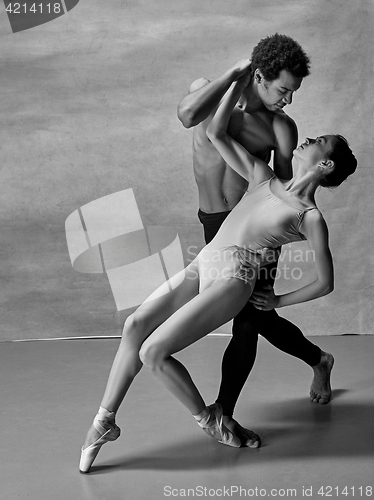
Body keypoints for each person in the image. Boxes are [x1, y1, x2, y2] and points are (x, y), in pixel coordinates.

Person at [79, 70, 357, 473]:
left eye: (318, 143)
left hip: (235, 278)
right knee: (135, 326)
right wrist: (233, 85)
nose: (308, 140)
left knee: (154, 351)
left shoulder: (309, 216)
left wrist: (278, 298)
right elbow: (216, 135)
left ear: (325, 163)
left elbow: (326, 282)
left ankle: (211, 418)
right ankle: (104, 422)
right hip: (206, 260)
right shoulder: (265, 177)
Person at [177, 34, 336, 446]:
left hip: (256, 233)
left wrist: (282, 238)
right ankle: (319, 359)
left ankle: (223, 415)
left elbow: (284, 189)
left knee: (247, 321)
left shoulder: (282, 127)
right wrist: (234, 74)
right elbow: (187, 116)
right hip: (214, 222)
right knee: (260, 315)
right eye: (283, 90)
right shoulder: (210, 94)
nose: (288, 101)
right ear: (260, 76)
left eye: (293, 93)